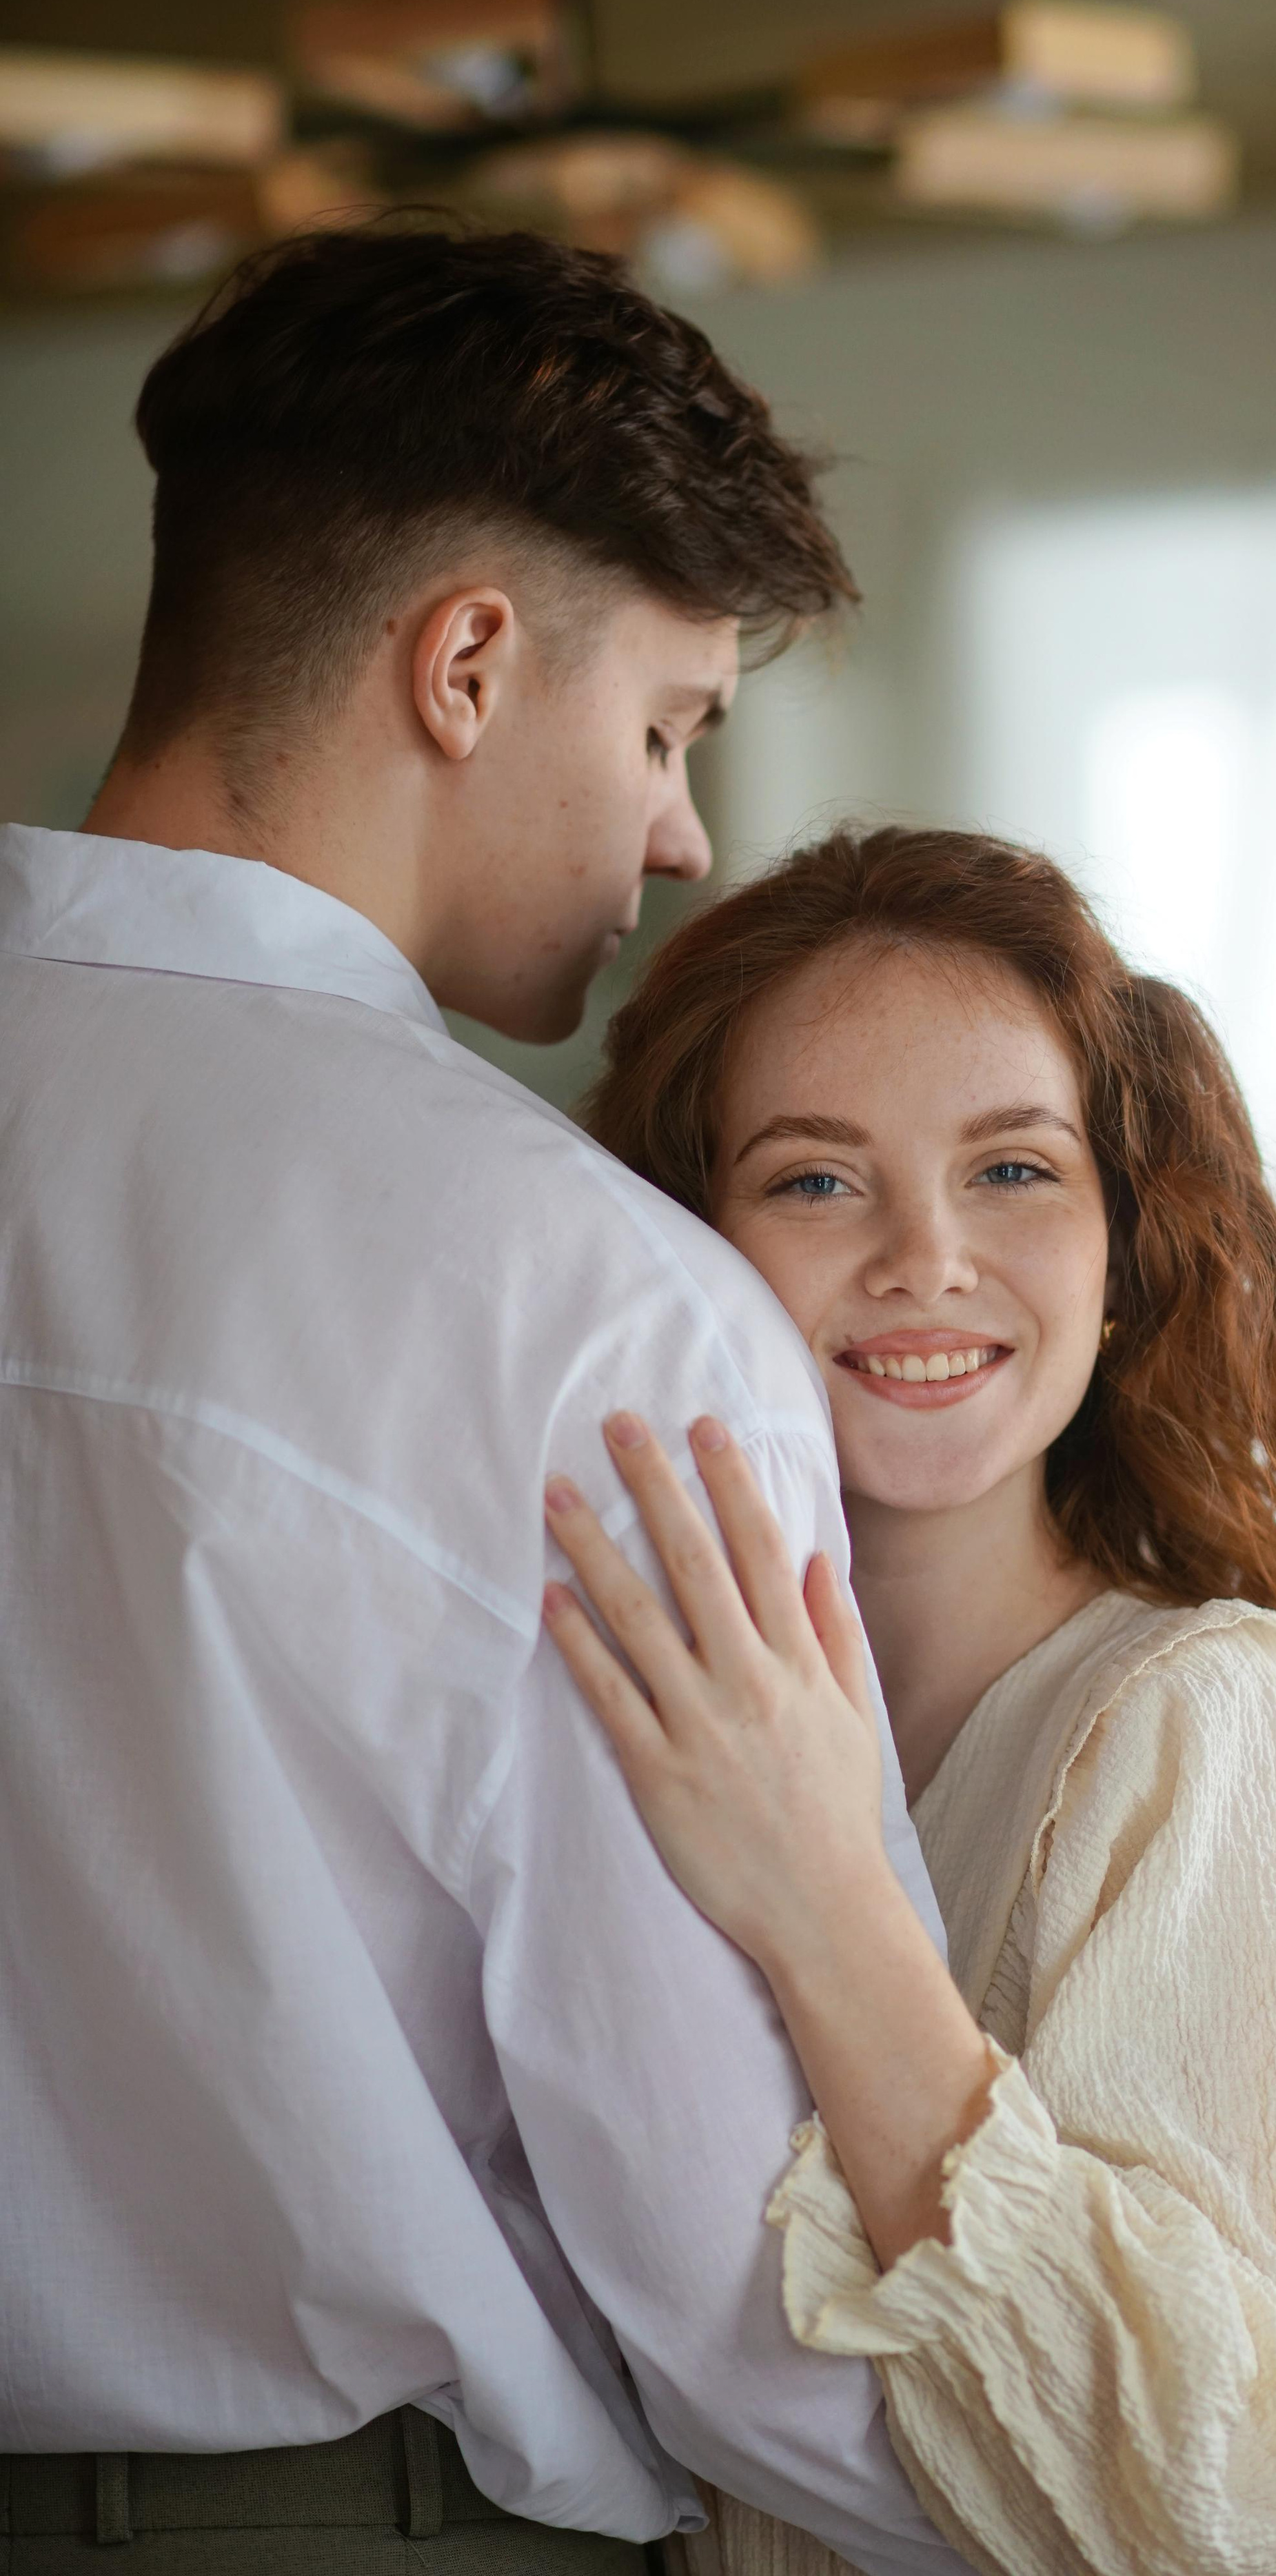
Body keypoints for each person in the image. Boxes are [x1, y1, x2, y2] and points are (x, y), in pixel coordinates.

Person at [0, 230, 973, 2576]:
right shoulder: (598, 1305)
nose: (678, 837)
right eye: (662, 726)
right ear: (465, 661)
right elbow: (733, 2257)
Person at [539, 824, 1276, 2576]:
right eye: (814, 1180)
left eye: (1013, 1169)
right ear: (683, 1245)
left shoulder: (1205, 1722)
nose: (923, 1257)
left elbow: (1195, 2494)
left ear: (1119, 1242)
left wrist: (822, 1905)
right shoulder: (640, 1701)